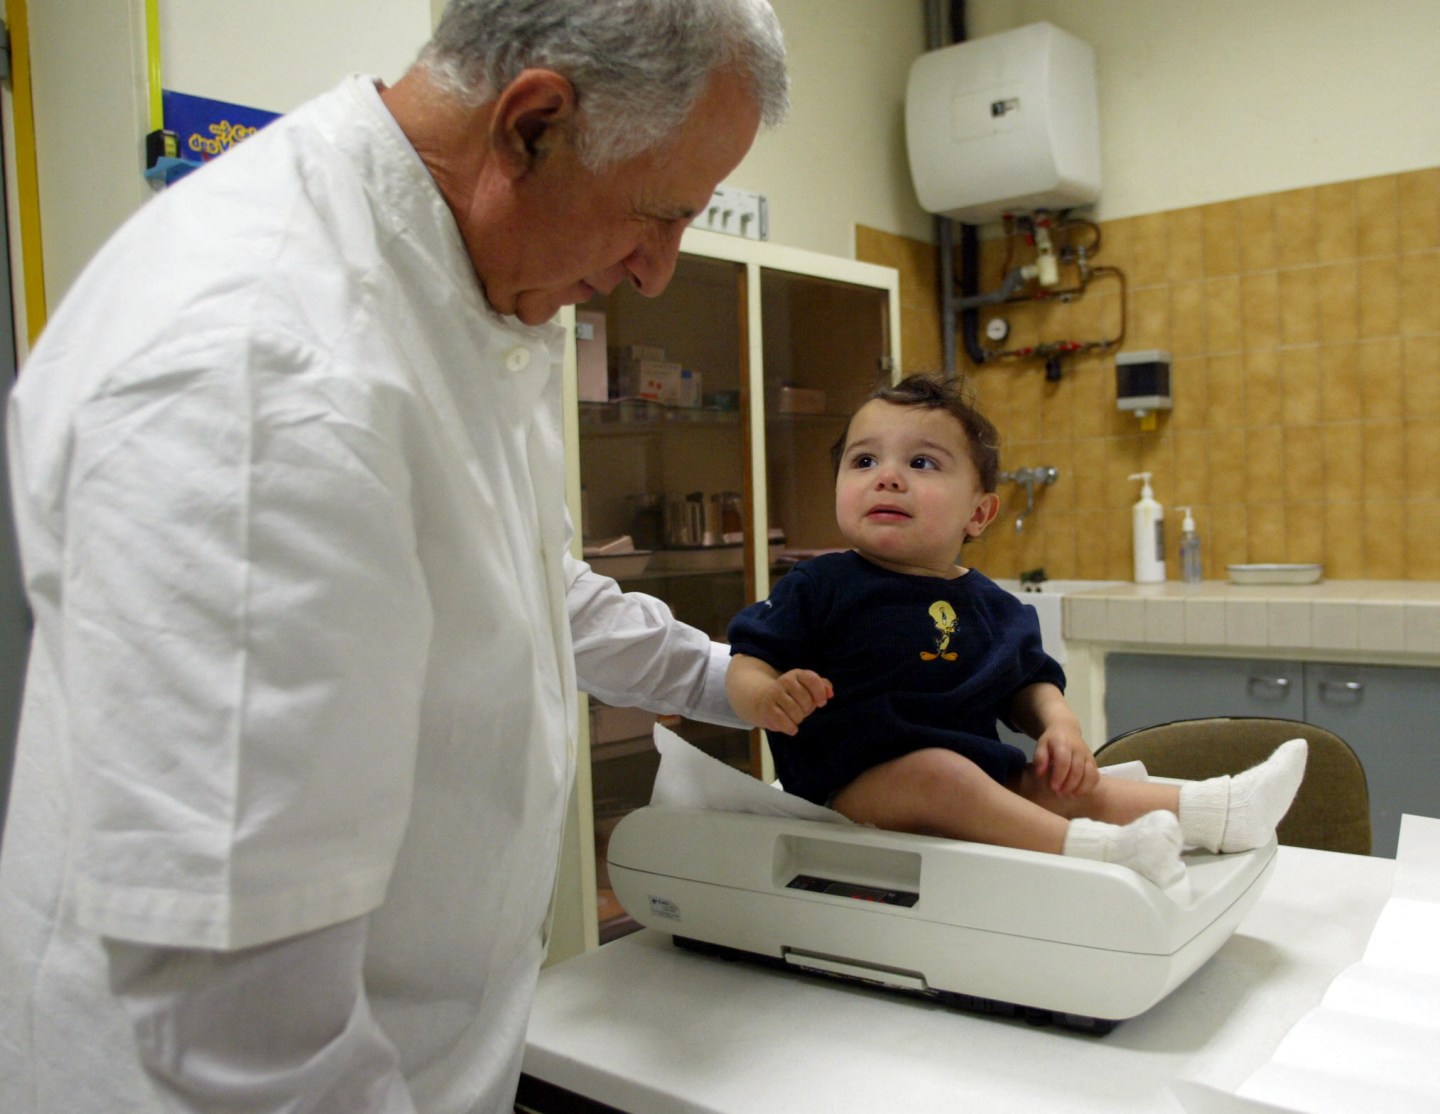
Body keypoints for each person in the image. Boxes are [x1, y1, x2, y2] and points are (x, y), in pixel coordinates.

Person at [0, 2, 788, 1112]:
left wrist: (719, 678)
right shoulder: (266, 369)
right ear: (531, 126)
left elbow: (524, 580)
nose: (658, 271)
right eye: (659, 216)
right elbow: (241, 1033)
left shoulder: (470, 293)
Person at [726, 375, 1307, 887]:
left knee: (1058, 783)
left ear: (978, 514)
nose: (888, 478)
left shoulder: (989, 605)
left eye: (921, 462)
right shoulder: (819, 585)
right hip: (847, 793)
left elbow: (1028, 683)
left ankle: (1219, 810)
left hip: (972, 777)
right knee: (942, 772)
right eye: (864, 461)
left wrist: (1062, 727)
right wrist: (765, 696)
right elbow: (747, 661)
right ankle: (1104, 852)